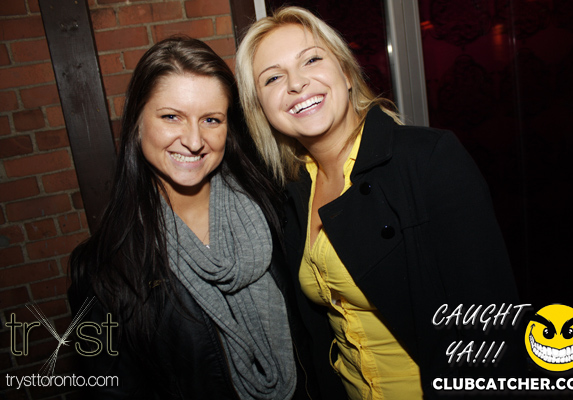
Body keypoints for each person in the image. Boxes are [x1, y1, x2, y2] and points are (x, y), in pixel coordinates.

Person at [236, 7, 524, 399]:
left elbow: (492, 332)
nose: (297, 83)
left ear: (346, 73)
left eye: (312, 60)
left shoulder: (429, 160)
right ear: (261, 109)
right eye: (273, 78)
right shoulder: (291, 192)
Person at [68, 37, 308, 399]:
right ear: (137, 122)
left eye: (211, 119)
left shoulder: (275, 209)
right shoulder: (103, 272)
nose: (194, 141)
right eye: (171, 117)